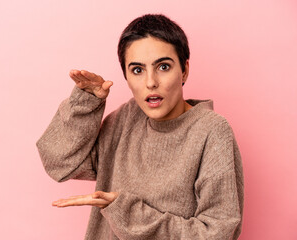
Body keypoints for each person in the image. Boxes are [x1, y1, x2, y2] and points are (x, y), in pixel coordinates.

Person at [36, 14, 244, 239]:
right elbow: (60, 164)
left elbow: (219, 233)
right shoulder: (124, 120)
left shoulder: (211, 131)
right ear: (126, 75)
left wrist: (127, 213)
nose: (150, 82)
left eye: (163, 66)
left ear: (184, 70)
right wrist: (85, 104)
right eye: (137, 70)